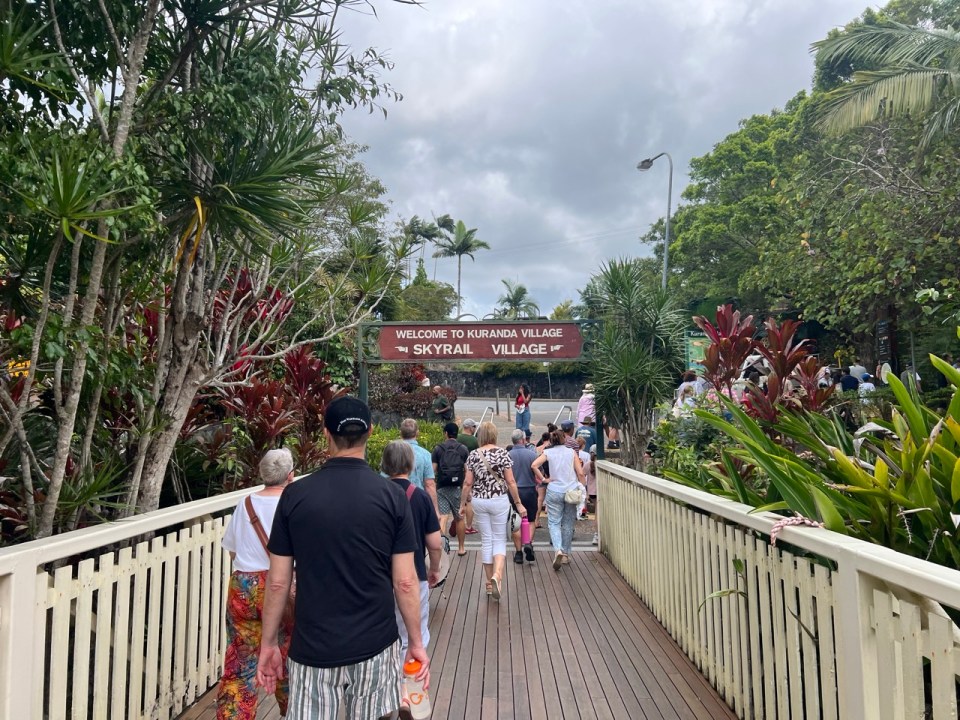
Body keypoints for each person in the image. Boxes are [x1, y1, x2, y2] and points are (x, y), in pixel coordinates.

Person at [257, 396, 428, 720]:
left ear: (326, 433)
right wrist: (416, 643)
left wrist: (268, 644)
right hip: (376, 644)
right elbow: (405, 582)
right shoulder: (392, 496)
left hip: (313, 647)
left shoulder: (295, 495)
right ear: (370, 432)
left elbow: (278, 582)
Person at [216, 449, 295, 720]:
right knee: (288, 653)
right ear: (290, 476)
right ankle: (293, 711)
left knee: (240, 662)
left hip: (244, 587)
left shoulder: (245, 504)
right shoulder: (294, 504)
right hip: (282, 586)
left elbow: (232, 551)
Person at [381, 441, 443, 659]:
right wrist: (434, 568)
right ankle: (410, 678)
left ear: (384, 464)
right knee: (413, 637)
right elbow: (434, 543)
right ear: (410, 464)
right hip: (414, 573)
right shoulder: (420, 496)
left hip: (379, 577)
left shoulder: (376, 495)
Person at [458, 421, 527, 600]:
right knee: (499, 539)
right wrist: (518, 503)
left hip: (480, 501)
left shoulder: (474, 454)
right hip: (499, 500)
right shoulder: (502, 453)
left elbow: (467, 483)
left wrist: (462, 504)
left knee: (486, 540)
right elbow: (510, 481)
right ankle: (497, 575)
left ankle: (489, 583)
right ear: (495, 435)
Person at [532, 428, 585, 570]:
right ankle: (566, 553)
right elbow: (580, 473)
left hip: (554, 490)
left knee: (554, 522)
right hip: (570, 491)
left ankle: (557, 550)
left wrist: (544, 479)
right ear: (564, 439)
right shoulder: (571, 452)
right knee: (568, 523)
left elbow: (534, 465)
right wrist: (583, 487)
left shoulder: (548, 452)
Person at [431, 422, 469, 556]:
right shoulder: (463, 449)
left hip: (442, 488)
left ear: (446, 433)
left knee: (443, 517)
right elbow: (467, 471)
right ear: (457, 434)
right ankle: (461, 548)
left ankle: (441, 547)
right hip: (457, 488)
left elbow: (433, 470)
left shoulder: (438, 449)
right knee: (459, 518)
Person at [508, 428, 544, 563]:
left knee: (515, 521)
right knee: (531, 520)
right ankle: (528, 543)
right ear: (523, 440)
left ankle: (518, 553)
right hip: (529, 490)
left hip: (513, 492)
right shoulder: (532, 455)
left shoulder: (507, 455)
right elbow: (540, 473)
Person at [399, 418, 438, 518]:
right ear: (417, 433)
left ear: (400, 433)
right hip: (417, 500)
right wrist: (435, 510)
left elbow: (384, 479)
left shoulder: (392, 451)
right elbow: (429, 484)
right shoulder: (425, 454)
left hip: (395, 499)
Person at [457, 419, 480, 534]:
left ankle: (458, 522)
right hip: (470, 472)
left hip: (456, 471)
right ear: (470, 428)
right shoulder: (474, 440)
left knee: (459, 498)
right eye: (474, 427)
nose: (475, 429)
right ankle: (468, 526)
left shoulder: (457, 438)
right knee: (469, 499)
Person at [586, 445, 599, 546]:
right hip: (600, 491)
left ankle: (597, 534)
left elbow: (581, 474)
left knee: (597, 513)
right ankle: (597, 535)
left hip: (592, 492)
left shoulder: (588, 464)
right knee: (598, 514)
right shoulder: (601, 464)